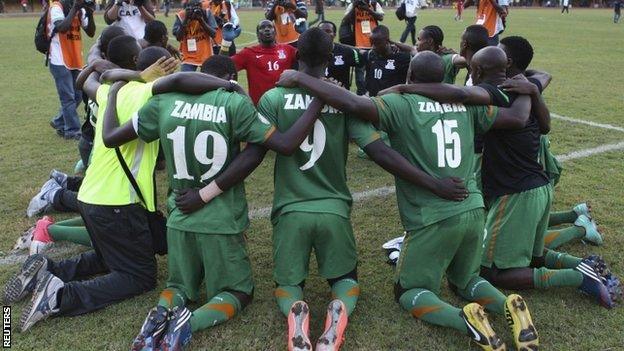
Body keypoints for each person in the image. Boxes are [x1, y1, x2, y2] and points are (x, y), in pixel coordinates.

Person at [276, 50, 541, 351]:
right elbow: (517, 118)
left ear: (410, 77)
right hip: (472, 207)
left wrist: (299, 77)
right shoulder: (467, 104)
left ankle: (465, 320)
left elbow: (351, 102)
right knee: (466, 280)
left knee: (409, 290)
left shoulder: (399, 104)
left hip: (431, 215)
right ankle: (508, 303)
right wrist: (531, 89)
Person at [100, 52, 334, 349]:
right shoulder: (234, 101)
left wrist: (111, 96)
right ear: (232, 79)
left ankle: (160, 314)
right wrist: (319, 98)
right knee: (238, 292)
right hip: (220, 218)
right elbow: (282, 144)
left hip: (180, 216)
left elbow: (111, 138)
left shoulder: (163, 101)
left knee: (178, 287)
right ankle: (188, 324)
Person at [386, 47, 620, 310]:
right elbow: (544, 118)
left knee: (491, 270)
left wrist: (405, 89)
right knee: (534, 254)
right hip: (539, 186)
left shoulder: (492, 94)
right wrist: (533, 86)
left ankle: (578, 276)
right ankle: (582, 263)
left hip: (516, 193)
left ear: (477, 70)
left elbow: (459, 93)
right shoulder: (525, 89)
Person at [4, 42, 177, 332]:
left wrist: (102, 66)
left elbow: (84, 81)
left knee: (111, 256)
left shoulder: (113, 90)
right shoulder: (152, 95)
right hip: (117, 202)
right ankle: (59, 296)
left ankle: (49, 270)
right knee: (139, 275)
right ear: (164, 69)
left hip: (89, 196)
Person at [47, 0, 96, 140]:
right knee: (68, 96)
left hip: (75, 58)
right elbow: (61, 27)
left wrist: (90, 13)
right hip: (58, 58)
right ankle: (72, 131)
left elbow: (91, 32)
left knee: (79, 94)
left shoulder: (80, 10)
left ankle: (59, 121)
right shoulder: (57, 6)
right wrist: (75, 8)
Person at [230, 20, 297, 105]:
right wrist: (226, 43)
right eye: (262, 27)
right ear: (257, 35)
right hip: (260, 106)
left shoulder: (287, 49)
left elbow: (308, 58)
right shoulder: (248, 53)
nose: (267, 29)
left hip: (284, 105)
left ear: (275, 32)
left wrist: (303, 35)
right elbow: (224, 66)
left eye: (270, 27)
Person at [342, 0, 384, 95]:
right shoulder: (353, 5)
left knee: (372, 71)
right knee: (359, 75)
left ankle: (371, 93)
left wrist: (368, 9)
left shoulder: (374, 4)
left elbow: (380, 17)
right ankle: (360, 94)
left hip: (373, 45)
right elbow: (346, 20)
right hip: (358, 45)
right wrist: (354, 7)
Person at [363, 25, 411, 97]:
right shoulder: (371, 55)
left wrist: (394, 43)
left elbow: (416, 52)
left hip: (392, 104)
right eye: (372, 44)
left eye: (377, 44)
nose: (373, 47)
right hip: (373, 103)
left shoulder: (402, 58)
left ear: (387, 41)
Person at [174, 0, 218, 71]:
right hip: (188, 56)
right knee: (186, 80)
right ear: (187, 9)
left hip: (205, 54)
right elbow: (178, 37)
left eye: (198, 8)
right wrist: (186, 20)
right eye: (192, 9)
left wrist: (201, 20)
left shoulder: (206, 13)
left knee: (208, 80)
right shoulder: (182, 15)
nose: (195, 11)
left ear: (201, 7)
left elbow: (213, 34)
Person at [319, 20, 363, 90]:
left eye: (328, 31)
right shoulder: (310, 51)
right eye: (321, 31)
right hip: (317, 93)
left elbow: (364, 61)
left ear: (334, 34)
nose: (324, 34)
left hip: (340, 96)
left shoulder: (346, 51)